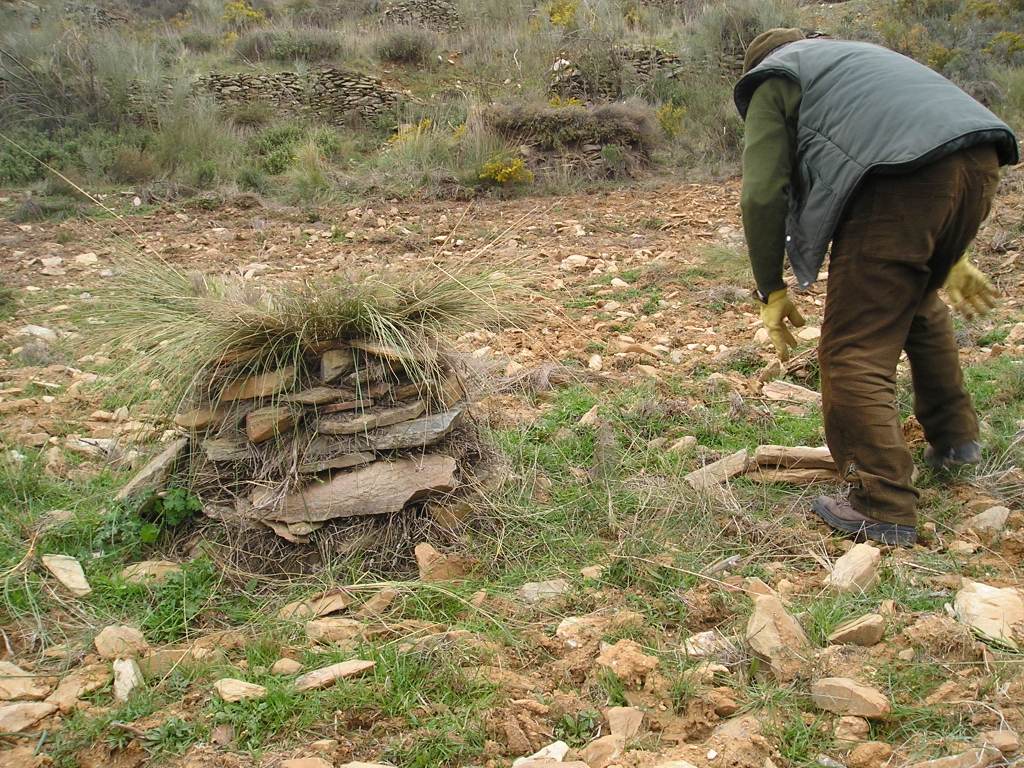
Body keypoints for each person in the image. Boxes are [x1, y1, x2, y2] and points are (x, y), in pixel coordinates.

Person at [734, 29, 1020, 546]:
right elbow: (928, 131)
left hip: (899, 177)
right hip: (981, 157)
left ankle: (880, 501)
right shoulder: (855, 59)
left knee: (852, 350)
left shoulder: (774, 77)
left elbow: (760, 192)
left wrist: (769, 289)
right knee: (916, 305)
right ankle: (955, 440)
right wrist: (951, 252)